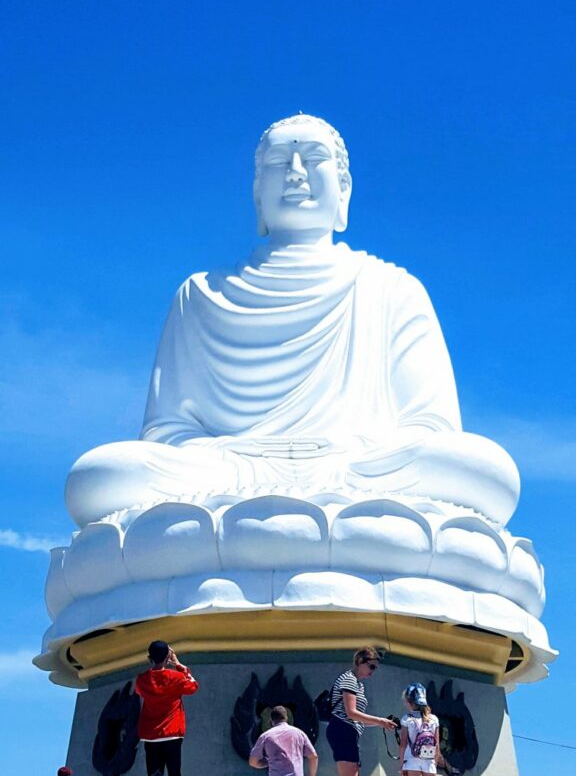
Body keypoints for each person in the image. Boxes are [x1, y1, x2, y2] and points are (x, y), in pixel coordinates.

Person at [65, 113, 519, 530]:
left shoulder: (391, 289)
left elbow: (429, 428)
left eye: (314, 159)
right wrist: (235, 456)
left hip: (357, 468)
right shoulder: (200, 294)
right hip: (229, 470)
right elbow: (167, 432)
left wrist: (344, 457)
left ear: (344, 189)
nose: (297, 172)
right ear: (256, 191)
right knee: (101, 477)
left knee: (482, 469)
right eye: (279, 162)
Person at [327, 648, 397, 776]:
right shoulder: (348, 679)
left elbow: (358, 718)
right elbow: (351, 712)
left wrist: (382, 724)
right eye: (371, 666)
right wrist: (379, 720)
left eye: (375, 668)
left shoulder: (359, 685)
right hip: (342, 729)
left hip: (350, 730)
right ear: (360, 661)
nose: (372, 672)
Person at [135, 640, 199, 776]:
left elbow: (139, 690)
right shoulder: (175, 677)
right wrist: (178, 664)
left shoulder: (142, 679)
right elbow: (193, 686)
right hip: (172, 734)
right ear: (167, 657)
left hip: (151, 736)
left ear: (149, 658)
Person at [399, 682, 447, 776]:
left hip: (412, 758)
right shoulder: (433, 719)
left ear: (410, 702)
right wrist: (436, 758)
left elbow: (403, 743)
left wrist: (402, 764)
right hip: (428, 758)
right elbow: (437, 743)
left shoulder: (407, 719)